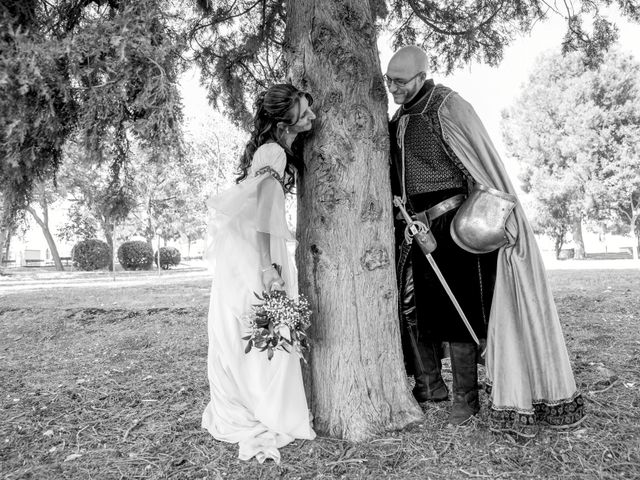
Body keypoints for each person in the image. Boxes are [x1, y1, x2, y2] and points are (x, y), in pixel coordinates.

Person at [386, 46, 585, 437]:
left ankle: (466, 396)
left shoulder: (448, 106)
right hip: (411, 226)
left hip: (454, 227)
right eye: (389, 80)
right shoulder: (399, 116)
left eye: (400, 81)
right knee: (411, 307)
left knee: (458, 312)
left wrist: (480, 223)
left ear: (422, 75)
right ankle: (429, 385)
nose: (393, 88)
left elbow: (480, 167)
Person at [202, 84, 316, 463]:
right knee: (265, 323)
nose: (313, 117)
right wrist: (269, 268)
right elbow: (267, 212)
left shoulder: (270, 150)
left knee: (257, 326)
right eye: (304, 113)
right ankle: (267, 409)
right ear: (285, 122)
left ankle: (257, 402)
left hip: (252, 247)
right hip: (259, 251)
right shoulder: (274, 153)